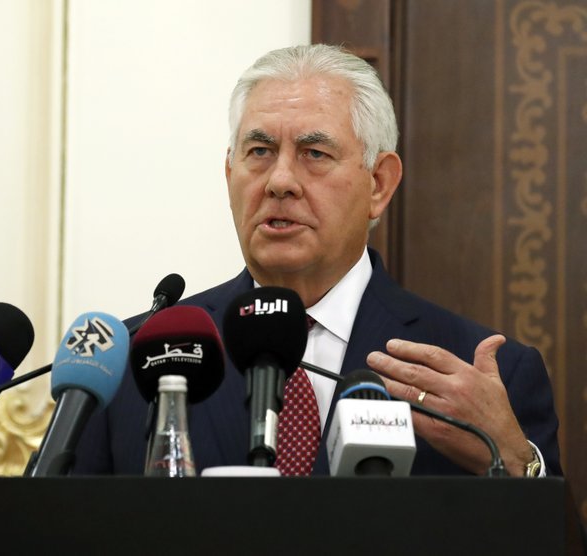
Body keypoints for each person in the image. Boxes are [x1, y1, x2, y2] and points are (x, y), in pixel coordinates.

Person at [72, 43, 561, 477]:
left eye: (314, 153)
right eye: (259, 151)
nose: (279, 180)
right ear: (229, 174)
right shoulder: (131, 362)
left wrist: (516, 461)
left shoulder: (481, 372)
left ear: (379, 184)